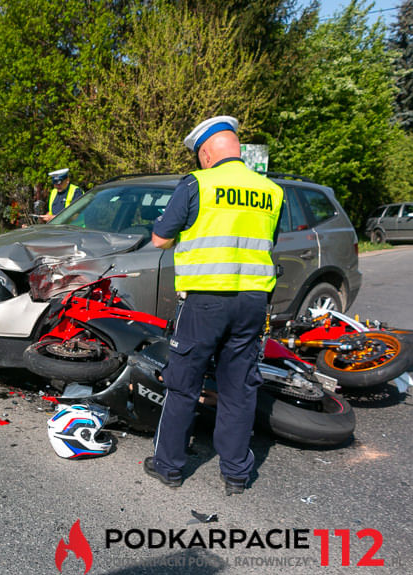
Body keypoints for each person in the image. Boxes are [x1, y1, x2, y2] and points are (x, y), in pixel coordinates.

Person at [143, 116, 282, 495]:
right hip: (252, 303)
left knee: (183, 384)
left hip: (204, 302)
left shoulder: (196, 185)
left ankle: (169, 466)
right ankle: (236, 473)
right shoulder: (271, 191)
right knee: (240, 387)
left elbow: (159, 239)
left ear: (205, 153)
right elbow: (267, 241)